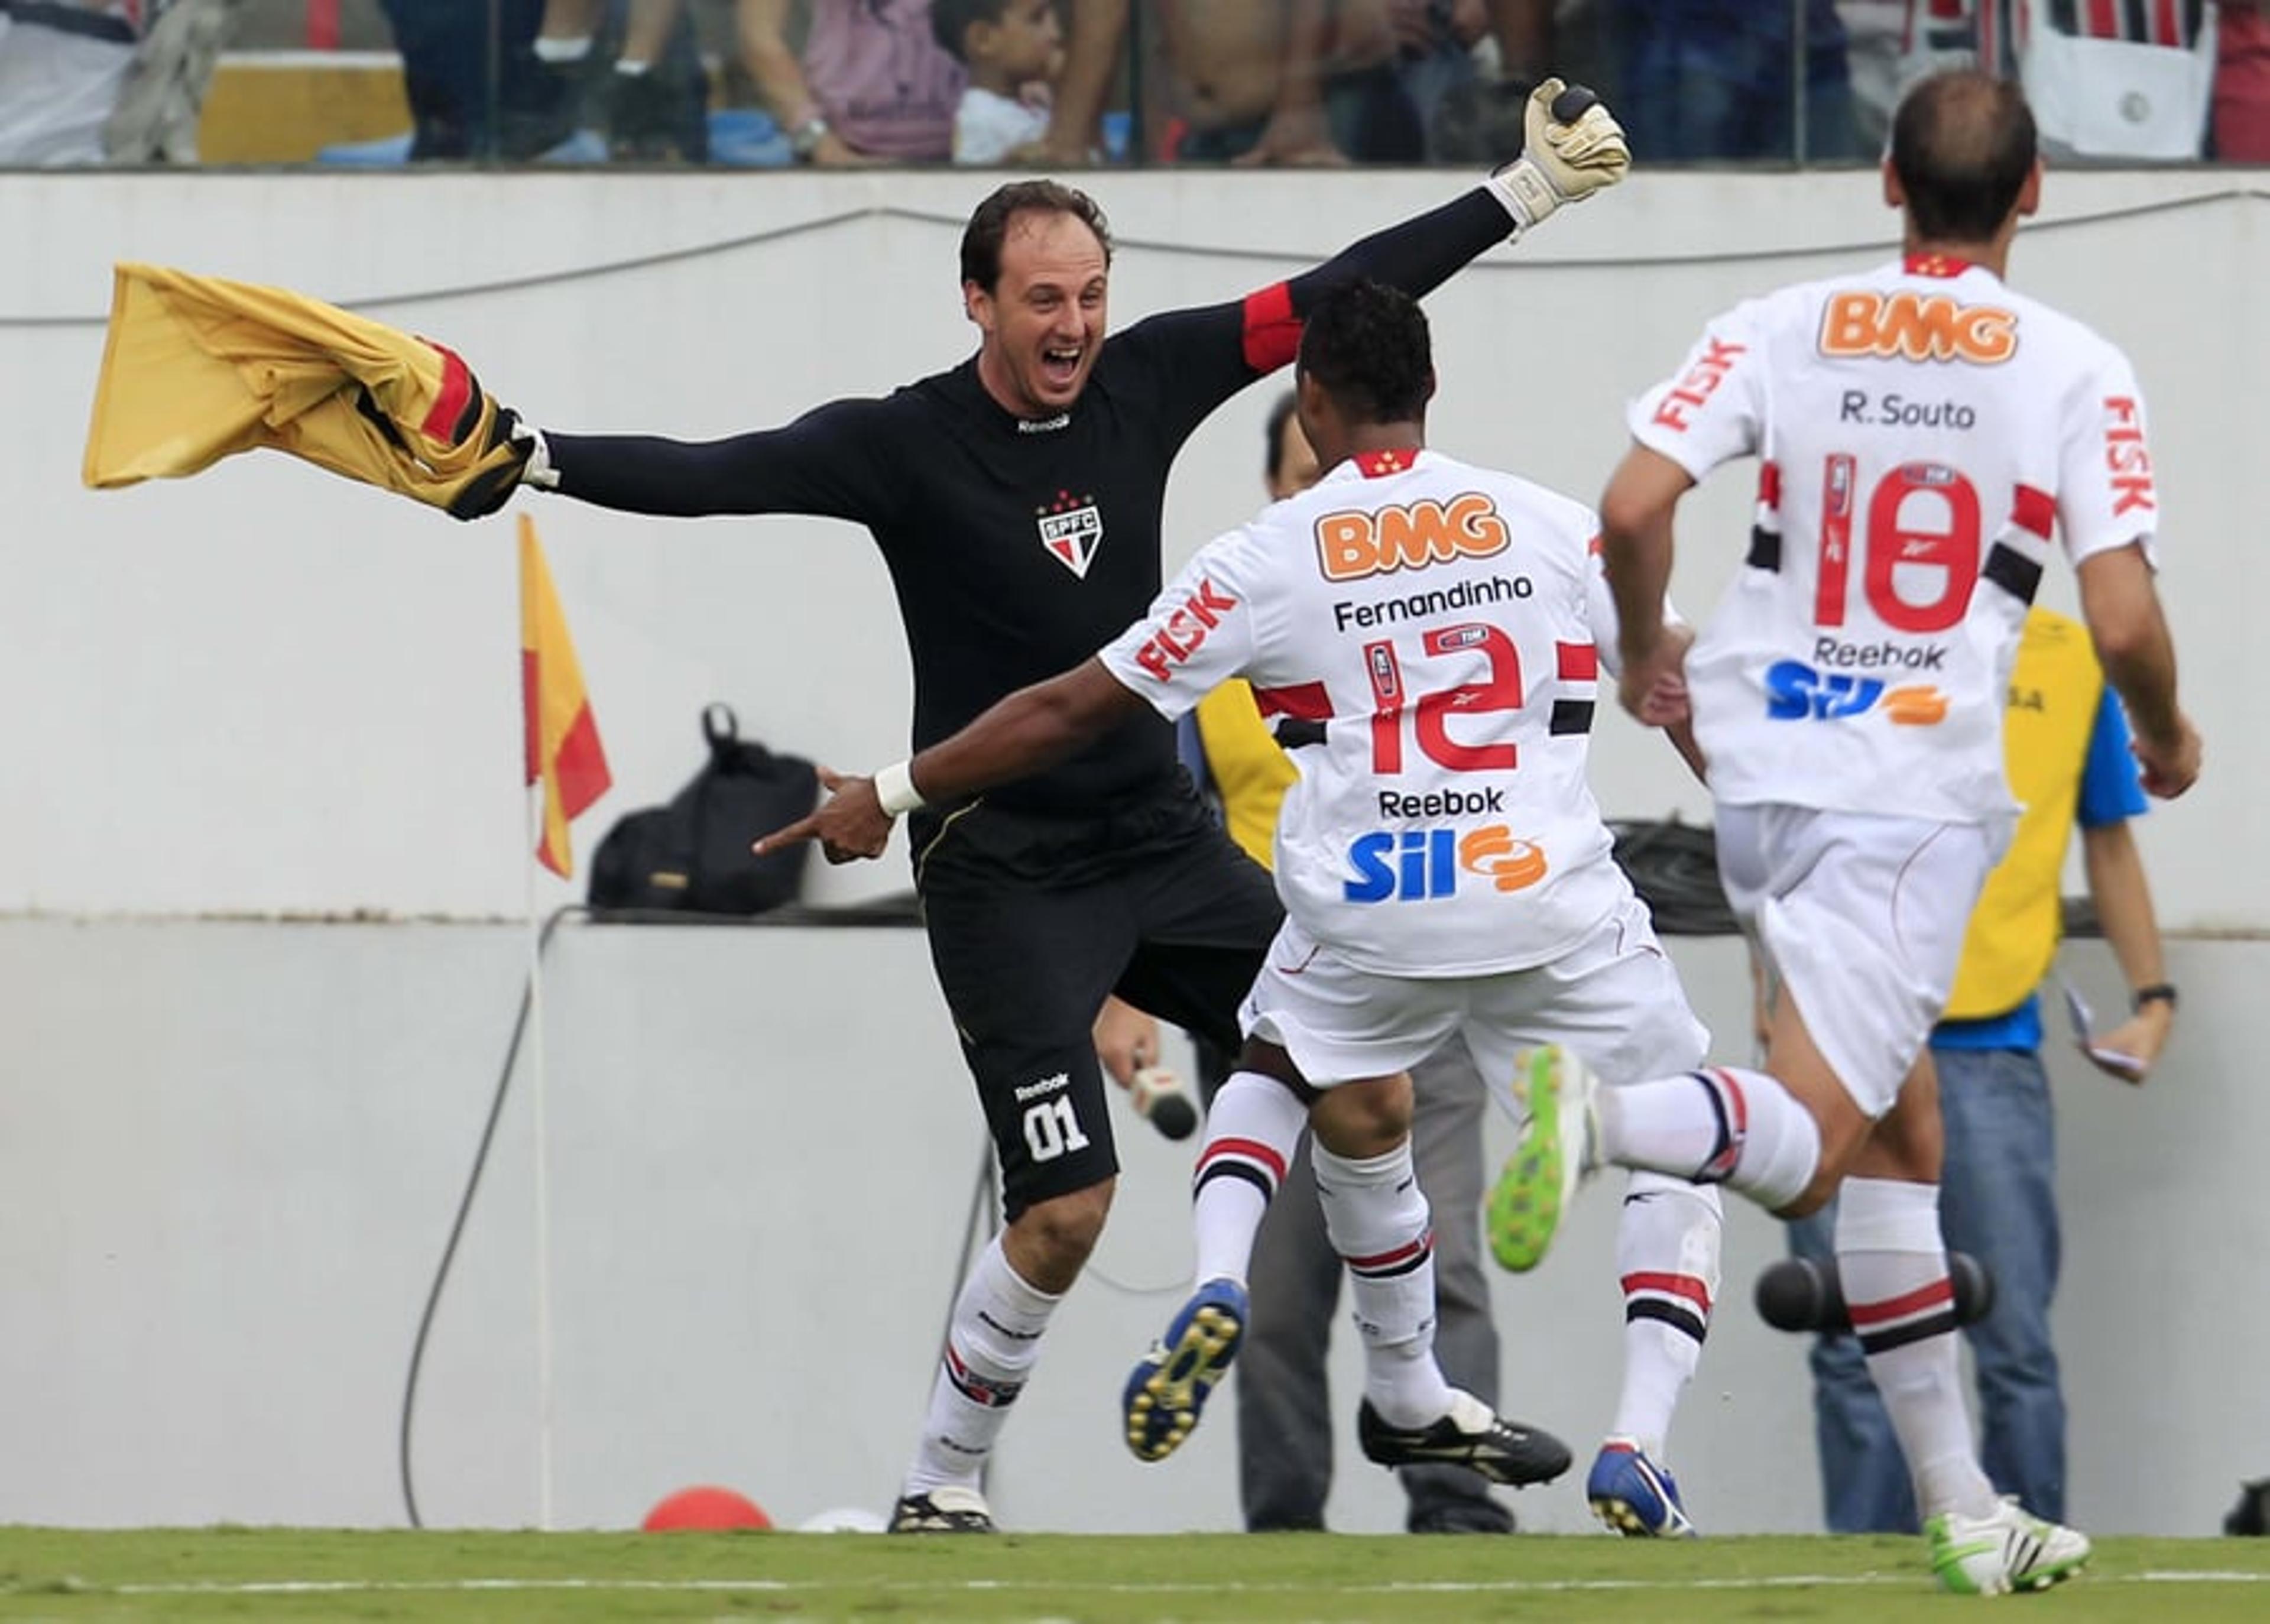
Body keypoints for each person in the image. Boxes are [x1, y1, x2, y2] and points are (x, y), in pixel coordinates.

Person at [459, 80, 1633, 1534]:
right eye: (1039, 299)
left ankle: (1407, 1401)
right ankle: (939, 1480)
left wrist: (1523, 191)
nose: (1070, 324)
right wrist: (533, 457)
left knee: (1369, 1081)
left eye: (1086, 293)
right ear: (976, 302)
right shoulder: (898, 444)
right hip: (1001, 872)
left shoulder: (1147, 378)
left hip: (1159, 840)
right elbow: (710, 475)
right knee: (1067, 1211)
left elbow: (1335, 301)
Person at [754, 275, 1715, 1521]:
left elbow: (1064, 708)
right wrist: (1769, 847)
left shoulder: (1267, 554)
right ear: (1430, 390)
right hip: (1552, 900)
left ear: (1309, 402)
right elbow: (1686, 688)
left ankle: (1230, 1280)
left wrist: (892, 787)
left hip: (1372, 908)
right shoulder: (1551, 524)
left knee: (1276, 1056)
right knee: (1682, 1133)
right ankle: (1633, 1432)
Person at [1559, 69, 2199, 1593]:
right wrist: (2167, 737)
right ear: (2032, 189)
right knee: (1807, 1146)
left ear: (1885, 184)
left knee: (1898, 1142)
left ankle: (1965, 1508)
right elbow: (2116, 612)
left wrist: (1648, 644)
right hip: (1906, 797)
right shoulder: (2068, 364)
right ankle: (1588, 1119)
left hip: (1757, 768)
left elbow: (1631, 504)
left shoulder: (1785, 321)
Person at [1103, 392, 1528, 1535]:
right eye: (1294, 479)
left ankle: (1457, 1511)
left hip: (1423, 983)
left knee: (1447, 1264)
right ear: (1273, 493)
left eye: (1324, 470)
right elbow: (1152, 832)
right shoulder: (1228, 637)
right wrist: (1119, 989)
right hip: (1268, 998)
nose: (1313, 492)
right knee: (1277, 1304)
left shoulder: (1436, 617)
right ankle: (1285, 1538)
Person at [1783, 605, 2174, 1533]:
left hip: (1990, 1045)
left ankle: (2029, 1550)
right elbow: (1786, 828)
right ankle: (1866, 1577)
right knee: (1847, 1341)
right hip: (1848, 1033)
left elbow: (2109, 833)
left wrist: (2155, 998)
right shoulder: (1838, 634)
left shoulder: (2072, 653)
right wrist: (1776, 1001)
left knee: (2014, 1342)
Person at [932, 0, 1063, 164]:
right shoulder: (980, 119)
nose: (1055, 34)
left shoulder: (1035, 100)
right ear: (983, 39)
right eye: (1036, 19)